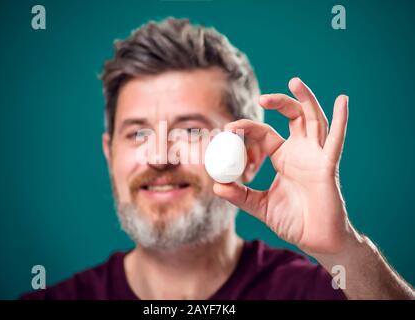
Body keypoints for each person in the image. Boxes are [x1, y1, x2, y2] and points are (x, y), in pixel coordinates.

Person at [21, 18, 414, 300]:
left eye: (191, 131)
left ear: (252, 155)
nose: (159, 157)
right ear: (111, 153)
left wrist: (342, 249)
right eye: (138, 133)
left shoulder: (320, 293)